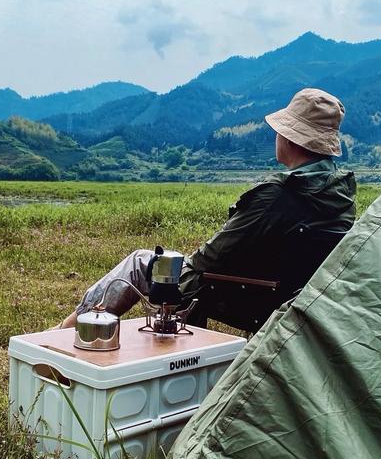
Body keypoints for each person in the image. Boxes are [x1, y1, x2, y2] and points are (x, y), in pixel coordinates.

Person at [53, 88, 356, 330]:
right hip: (291, 299)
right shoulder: (341, 196)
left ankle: (60, 336)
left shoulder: (277, 195)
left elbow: (208, 259)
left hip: (240, 294)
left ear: (291, 138)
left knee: (139, 263)